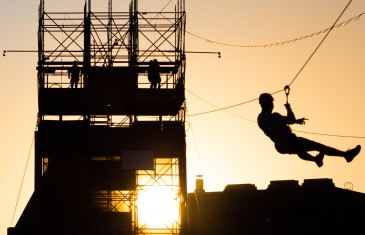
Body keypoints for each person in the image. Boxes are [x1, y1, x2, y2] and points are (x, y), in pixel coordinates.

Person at [257, 93, 361, 167]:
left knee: (299, 151)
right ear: (268, 104)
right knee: (317, 146)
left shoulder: (260, 119)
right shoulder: (274, 116)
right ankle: (346, 155)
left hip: (280, 147)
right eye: (271, 102)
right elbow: (290, 119)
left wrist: (295, 121)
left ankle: (316, 159)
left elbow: (279, 124)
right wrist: (288, 108)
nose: (272, 105)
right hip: (290, 141)